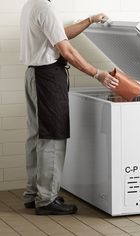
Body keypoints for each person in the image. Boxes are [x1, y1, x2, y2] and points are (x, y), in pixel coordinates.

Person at [19, 0, 118, 215]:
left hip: (35, 75)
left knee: (37, 136)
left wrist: (89, 20)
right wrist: (97, 73)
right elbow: (66, 50)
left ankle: (34, 193)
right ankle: (47, 200)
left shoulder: (32, 4)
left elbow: (59, 33)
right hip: (47, 77)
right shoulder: (45, 7)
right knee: (52, 137)